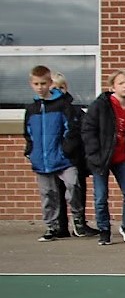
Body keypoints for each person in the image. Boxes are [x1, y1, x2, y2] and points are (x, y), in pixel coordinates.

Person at [23, 65, 86, 242]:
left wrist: (66, 150)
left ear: (50, 83)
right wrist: (30, 151)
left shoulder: (62, 106)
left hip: (63, 158)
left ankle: (78, 217)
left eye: (43, 83)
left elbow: (71, 130)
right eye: (36, 83)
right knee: (48, 195)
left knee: (73, 185)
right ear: (31, 84)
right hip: (42, 160)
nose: (40, 87)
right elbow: (28, 134)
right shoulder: (32, 109)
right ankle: (52, 227)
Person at [81, 70, 125, 245]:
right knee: (101, 196)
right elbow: (88, 129)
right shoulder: (101, 104)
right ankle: (104, 230)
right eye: (121, 83)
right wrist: (94, 153)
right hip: (102, 157)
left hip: (122, 157)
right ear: (113, 86)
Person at [50, 71, 99, 238]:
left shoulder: (75, 110)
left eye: (61, 87)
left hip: (74, 158)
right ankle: (60, 227)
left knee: (76, 191)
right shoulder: (46, 111)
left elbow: (82, 132)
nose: (58, 91)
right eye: (54, 87)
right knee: (56, 193)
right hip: (54, 158)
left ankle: (80, 224)